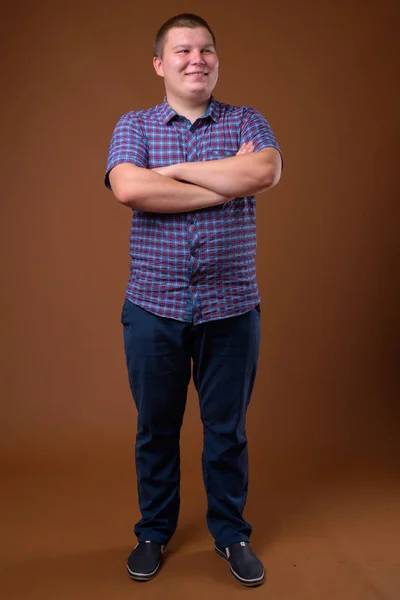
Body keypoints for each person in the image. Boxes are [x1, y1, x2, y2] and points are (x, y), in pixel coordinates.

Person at [104, 13, 282, 587]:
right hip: (152, 308)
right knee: (156, 427)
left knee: (226, 430)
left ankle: (230, 535)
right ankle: (153, 531)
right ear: (160, 64)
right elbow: (130, 187)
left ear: (216, 60)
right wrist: (221, 179)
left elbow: (264, 171)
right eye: (182, 51)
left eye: (206, 49)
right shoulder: (134, 124)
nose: (196, 59)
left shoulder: (247, 120)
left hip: (232, 308)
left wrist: (175, 174)